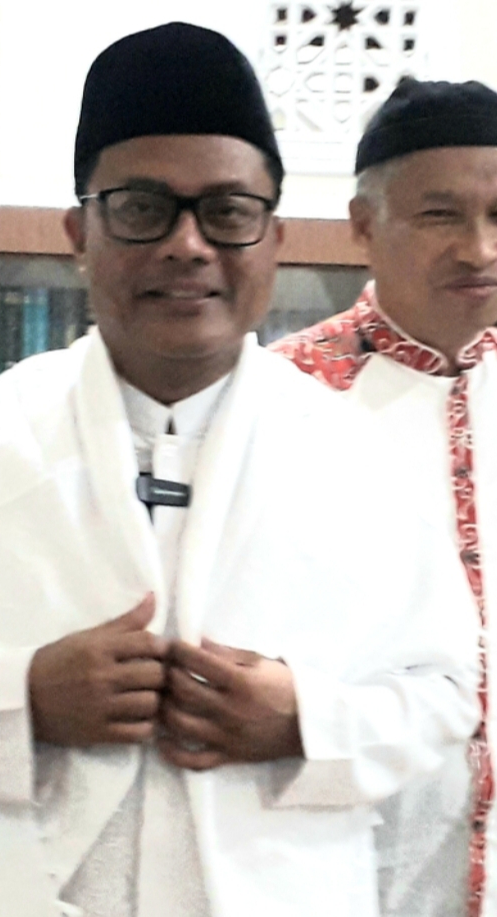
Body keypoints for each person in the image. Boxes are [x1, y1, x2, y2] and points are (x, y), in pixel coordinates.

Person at [0, 26, 479, 917]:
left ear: (273, 239)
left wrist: (303, 719)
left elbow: (445, 698)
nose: (188, 245)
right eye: (142, 207)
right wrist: (22, 701)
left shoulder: (354, 462)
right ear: (80, 233)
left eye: (228, 211)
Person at [271, 77, 497, 917]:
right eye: (441, 216)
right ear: (364, 224)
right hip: (346, 863)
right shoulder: (278, 403)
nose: (479, 248)